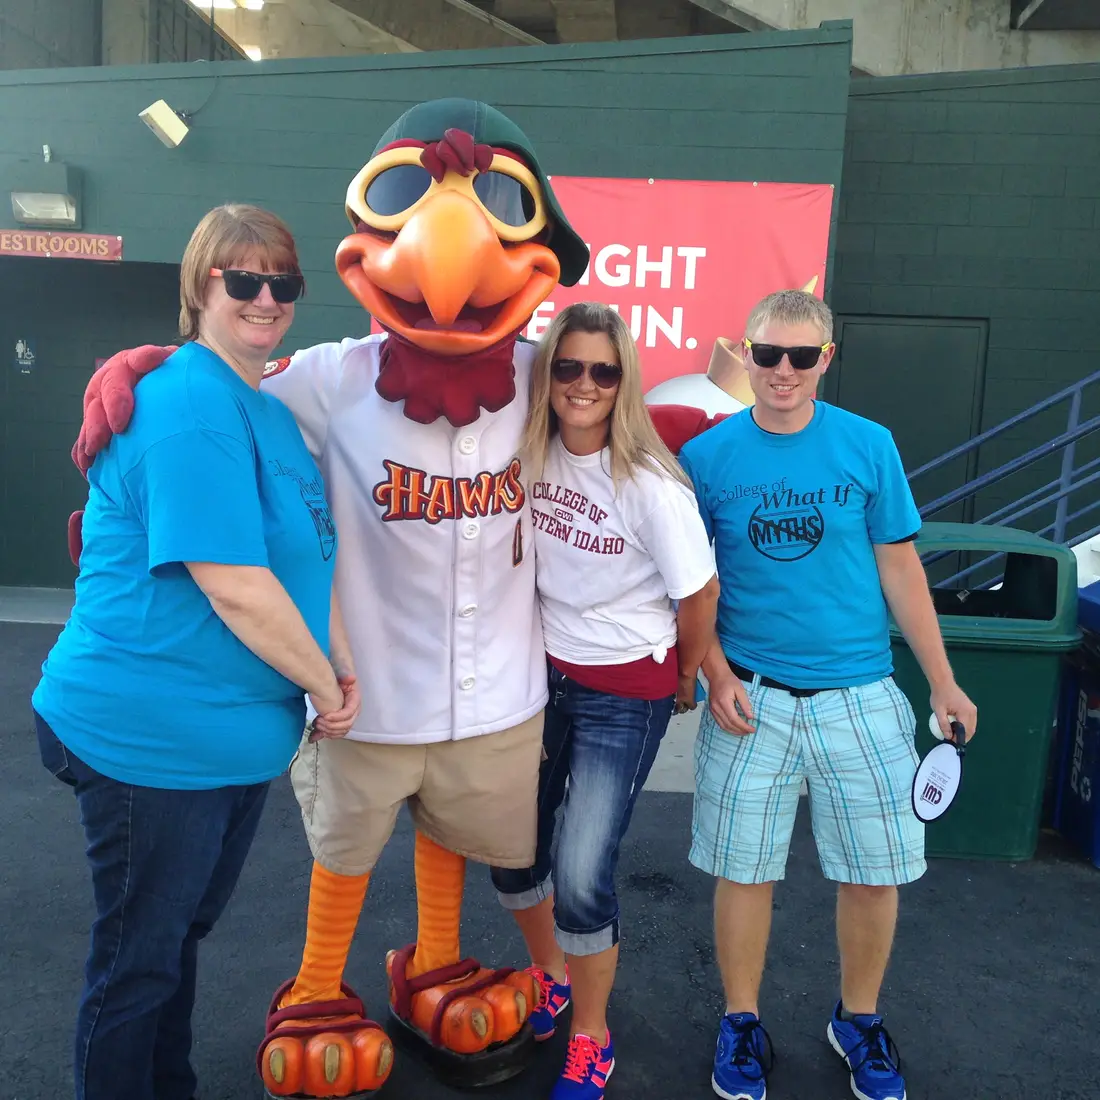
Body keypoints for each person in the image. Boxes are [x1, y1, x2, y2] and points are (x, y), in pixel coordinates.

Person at [31, 204, 360, 1100]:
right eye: (241, 279)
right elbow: (236, 584)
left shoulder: (265, 412)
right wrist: (326, 685)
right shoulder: (183, 402)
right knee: (138, 964)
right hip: (148, 739)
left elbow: (299, 564)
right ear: (198, 285)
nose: (264, 297)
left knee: (173, 944)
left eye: (281, 283)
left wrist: (329, 657)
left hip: (225, 743)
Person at [677, 289, 978, 1100]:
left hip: (860, 693)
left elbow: (901, 568)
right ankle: (741, 1022)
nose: (782, 371)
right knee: (744, 871)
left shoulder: (867, 446)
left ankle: (859, 1019)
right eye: (767, 354)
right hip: (753, 698)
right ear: (743, 354)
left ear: (826, 361)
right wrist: (713, 674)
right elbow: (686, 584)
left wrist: (942, 678)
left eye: (801, 356)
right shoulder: (708, 459)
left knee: (873, 872)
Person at [491, 302, 720, 1100]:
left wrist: (686, 676)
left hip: (626, 689)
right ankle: (549, 974)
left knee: (583, 873)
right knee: (512, 849)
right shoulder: (529, 455)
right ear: (547, 373)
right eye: (567, 367)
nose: (583, 384)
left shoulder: (650, 484)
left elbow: (698, 594)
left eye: (603, 370)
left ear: (624, 381)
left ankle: (591, 1033)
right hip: (541, 679)